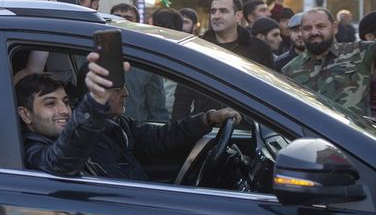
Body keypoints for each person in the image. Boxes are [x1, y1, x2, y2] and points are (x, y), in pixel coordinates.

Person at [18, 55, 241, 180]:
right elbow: (61, 159)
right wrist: (94, 105)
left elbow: (157, 138)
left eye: (66, 102)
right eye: (50, 104)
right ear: (25, 114)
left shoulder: (116, 126)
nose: (64, 111)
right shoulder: (33, 152)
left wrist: (208, 119)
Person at [172, 0, 273, 120]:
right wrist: (181, 132)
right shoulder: (196, 48)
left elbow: (270, 95)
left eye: (223, 11)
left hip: (247, 130)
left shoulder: (260, 49)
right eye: (213, 11)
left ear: (238, 16)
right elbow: (182, 97)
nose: (216, 16)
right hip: (205, 129)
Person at [282, 8, 376, 117]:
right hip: (313, 133)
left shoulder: (361, 52)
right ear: (301, 31)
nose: (314, 32)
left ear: (335, 28)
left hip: (355, 133)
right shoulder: (289, 71)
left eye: (320, 26)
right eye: (307, 28)